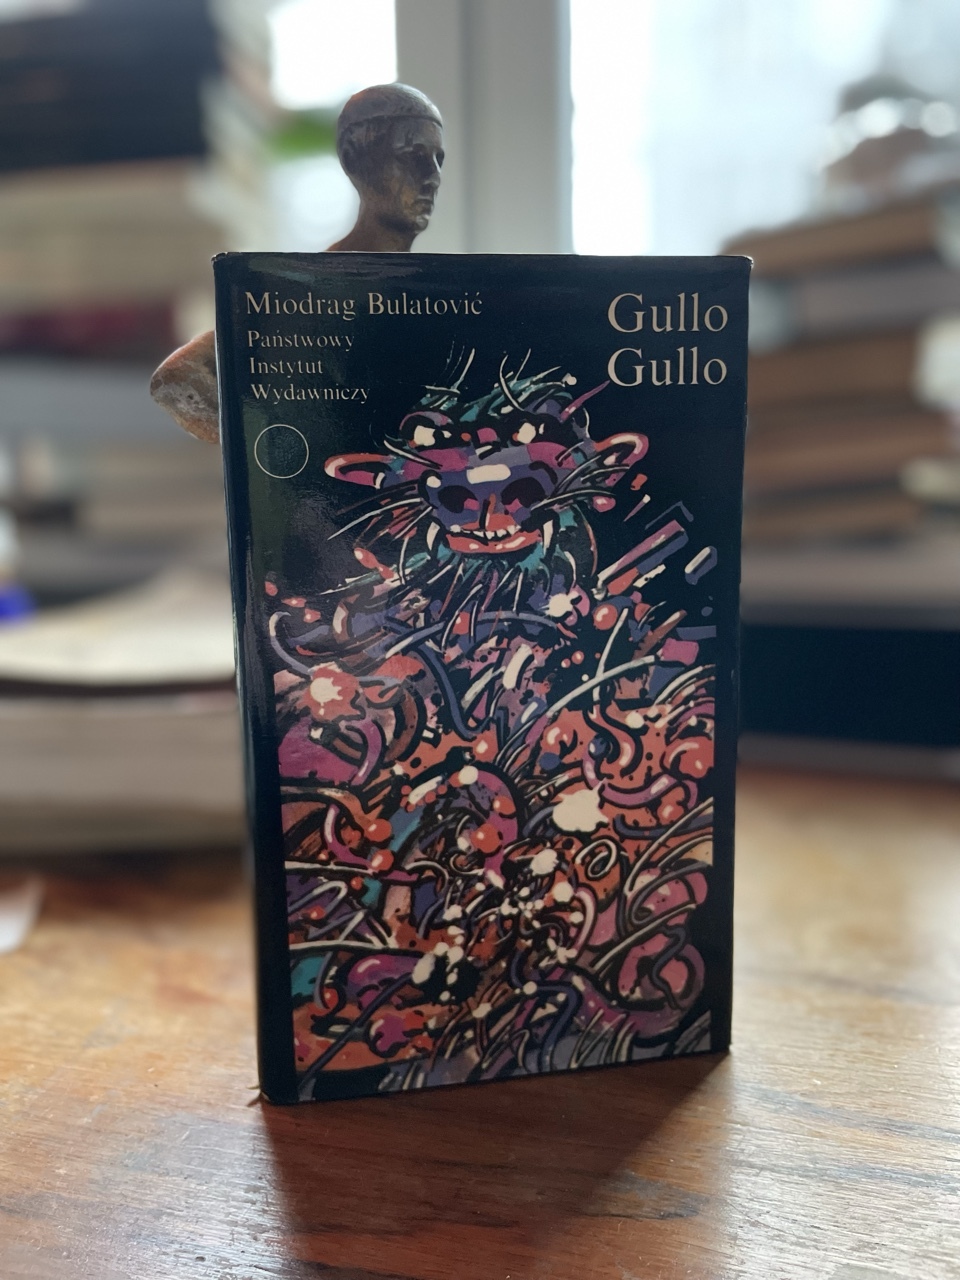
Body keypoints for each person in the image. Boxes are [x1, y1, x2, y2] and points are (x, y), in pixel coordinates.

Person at [149, 83, 443, 442]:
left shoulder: (440, 294)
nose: (431, 176)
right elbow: (176, 380)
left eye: (438, 160)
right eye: (413, 155)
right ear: (355, 158)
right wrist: (263, 441)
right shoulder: (306, 291)